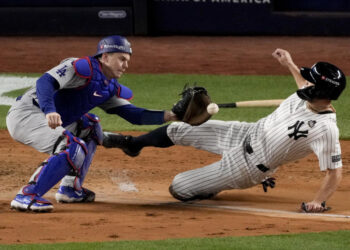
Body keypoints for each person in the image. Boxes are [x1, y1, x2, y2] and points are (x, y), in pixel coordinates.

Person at [113, 49, 346, 213]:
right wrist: (289, 63)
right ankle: (135, 145)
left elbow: (334, 172)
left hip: (247, 167)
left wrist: (318, 202)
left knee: (180, 187)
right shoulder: (309, 93)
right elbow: (301, 82)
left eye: (312, 81)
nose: (306, 82)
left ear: (322, 92)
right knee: (178, 128)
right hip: (245, 132)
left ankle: (212, 186)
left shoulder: (325, 129)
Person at [6, 35, 177, 212]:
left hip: (49, 119)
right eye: (121, 59)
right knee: (72, 146)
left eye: (127, 60)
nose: (126, 65)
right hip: (26, 115)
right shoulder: (79, 67)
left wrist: (172, 115)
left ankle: (71, 189)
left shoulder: (108, 86)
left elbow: (134, 115)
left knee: (91, 127)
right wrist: (50, 110)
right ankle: (27, 195)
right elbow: (45, 81)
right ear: (105, 57)